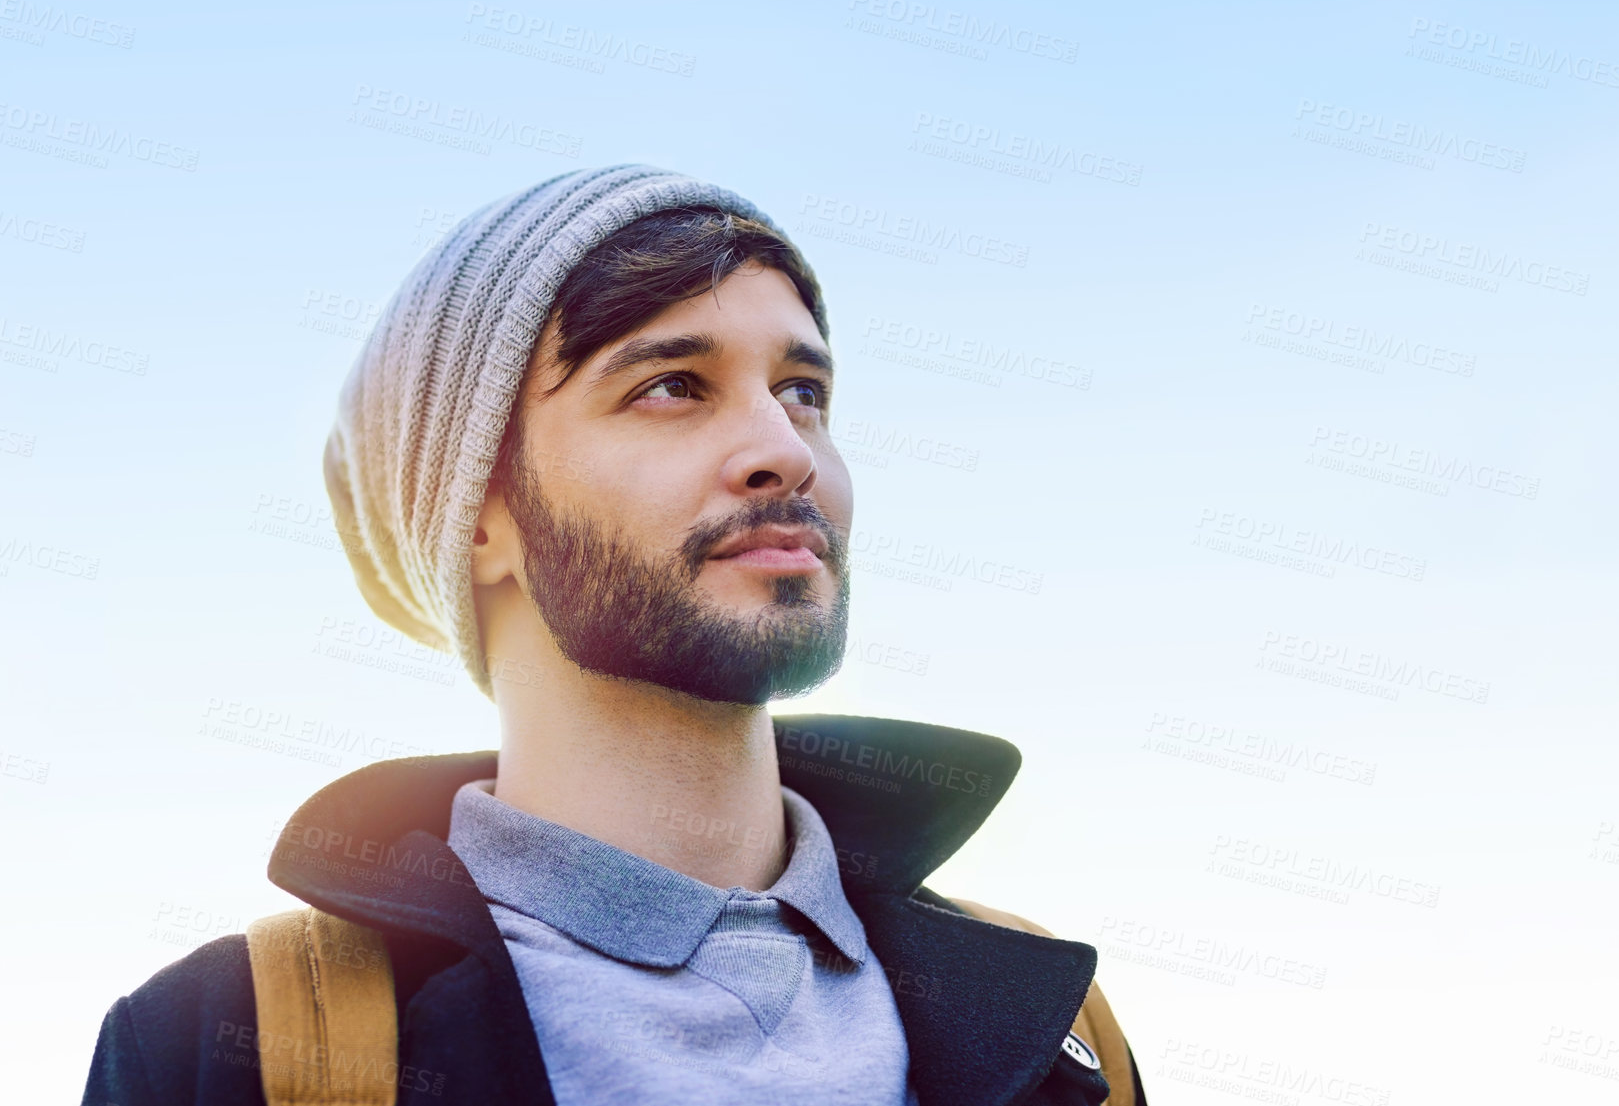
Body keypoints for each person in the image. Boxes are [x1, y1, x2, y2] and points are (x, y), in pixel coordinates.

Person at [80, 164, 1146, 1105]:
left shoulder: (1060, 1022)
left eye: (802, 391)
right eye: (671, 386)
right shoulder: (229, 1049)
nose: (784, 449)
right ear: (477, 515)